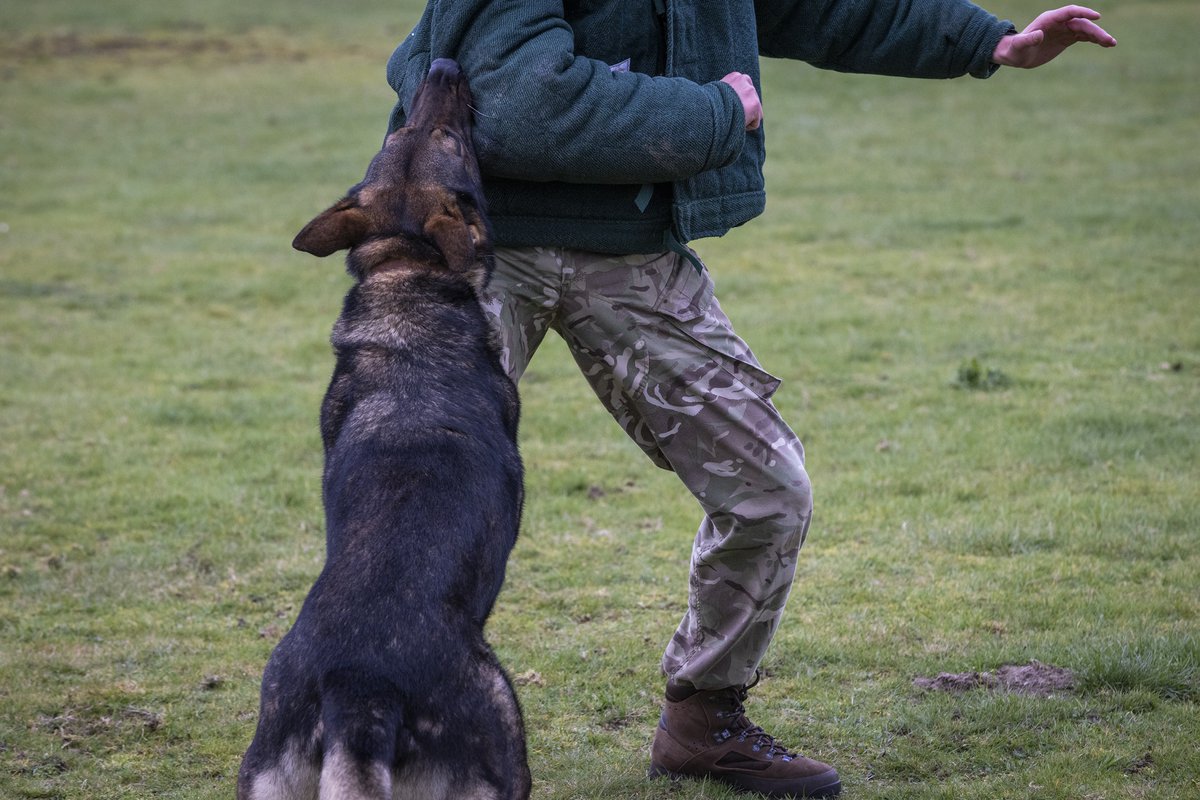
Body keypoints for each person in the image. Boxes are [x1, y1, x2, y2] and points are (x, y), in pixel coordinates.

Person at [383, 2, 1116, 797]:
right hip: (475, 235)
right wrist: (718, 110)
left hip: (627, 242)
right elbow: (530, 106)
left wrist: (986, 41)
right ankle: (383, 729)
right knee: (412, 494)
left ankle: (704, 722)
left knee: (769, 489)